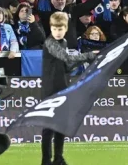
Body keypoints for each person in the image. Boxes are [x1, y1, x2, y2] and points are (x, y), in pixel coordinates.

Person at [41, 12, 97, 165]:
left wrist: (83, 61)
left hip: (63, 87)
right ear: (50, 28)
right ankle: (45, 161)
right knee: (48, 128)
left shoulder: (64, 42)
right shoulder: (50, 43)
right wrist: (89, 55)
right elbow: (67, 58)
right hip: (50, 90)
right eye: (54, 29)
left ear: (65, 29)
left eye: (60, 29)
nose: (57, 32)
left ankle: (58, 158)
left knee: (61, 126)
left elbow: (67, 66)